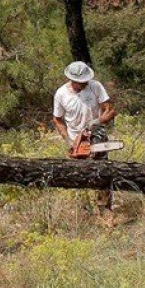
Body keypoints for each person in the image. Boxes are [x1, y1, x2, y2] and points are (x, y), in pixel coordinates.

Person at [52, 60, 116, 208]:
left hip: (97, 134)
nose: (85, 82)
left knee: (102, 171)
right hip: (76, 138)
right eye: (82, 81)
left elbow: (110, 110)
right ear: (73, 80)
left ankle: (104, 207)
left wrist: (96, 122)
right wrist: (68, 141)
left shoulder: (95, 86)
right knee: (80, 175)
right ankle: (83, 207)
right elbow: (57, 119)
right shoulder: (61, 94)